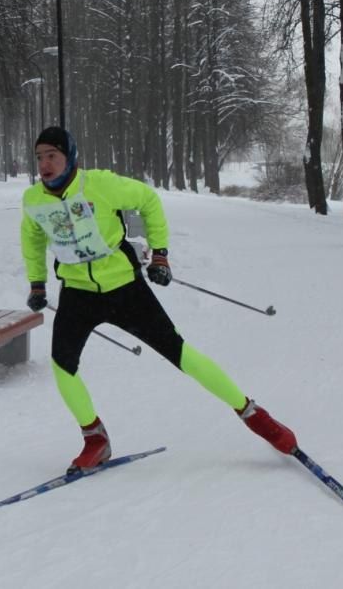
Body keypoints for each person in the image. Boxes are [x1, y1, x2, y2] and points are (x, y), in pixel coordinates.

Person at [20, 126, 297, 472]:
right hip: (77, 293)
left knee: (182, 355)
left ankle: (254, 415)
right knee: (62, 367)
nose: (45, 164)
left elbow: (148, 200)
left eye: (52, 156)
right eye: (40, 157)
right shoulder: (33, 199)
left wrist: (161, 255)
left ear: (70, 156)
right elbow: (32, 239)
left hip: (124, 289)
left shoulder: (101, 185)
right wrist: (37, 283)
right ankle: (95, 439)